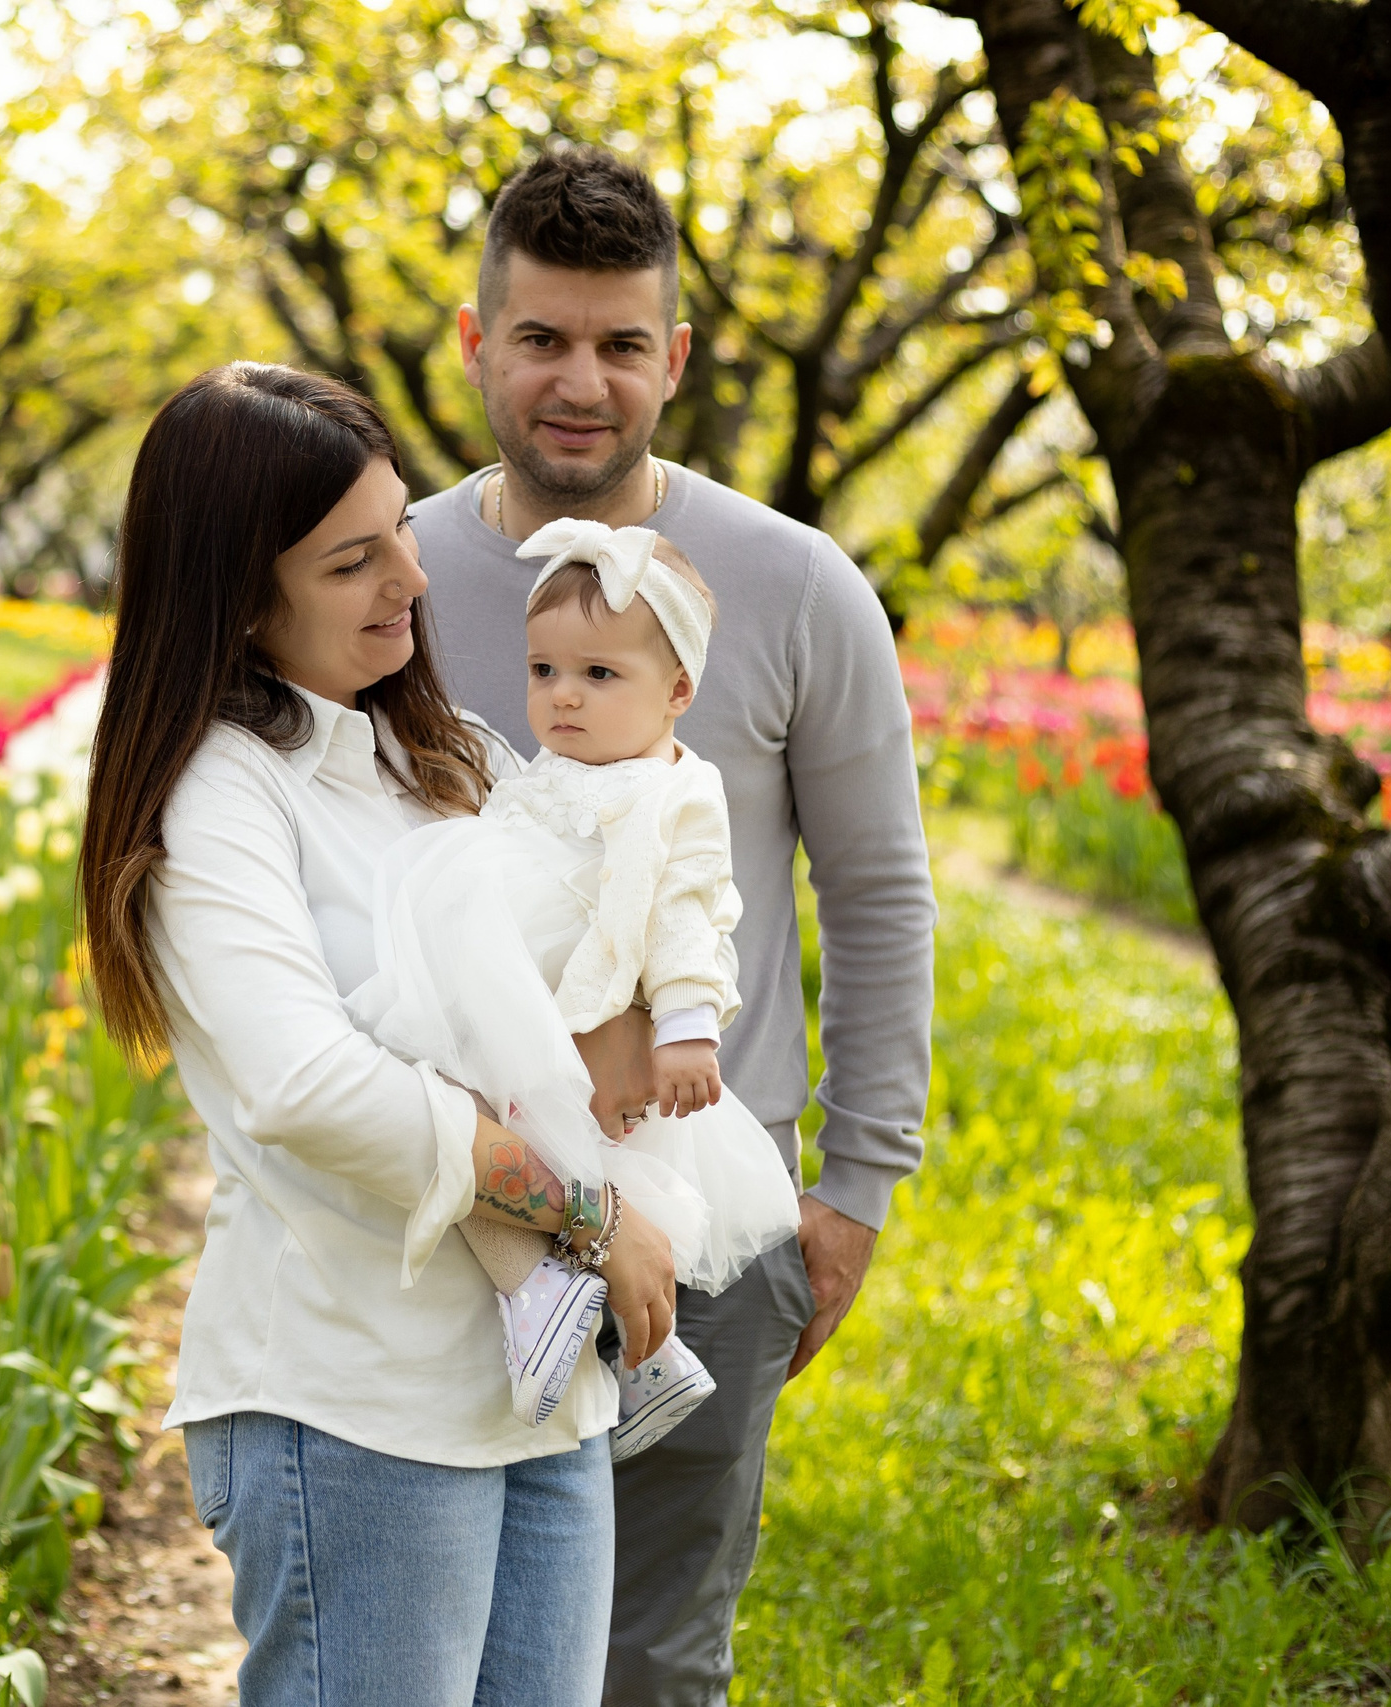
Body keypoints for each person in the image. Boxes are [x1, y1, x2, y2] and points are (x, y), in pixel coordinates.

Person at [409, 148, 938, 1705]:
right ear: (474, 340)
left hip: (708, 1202)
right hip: (456, 1196)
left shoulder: (794, 584)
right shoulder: (389, 577)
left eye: (622, 344)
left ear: (676, 358)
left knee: (651, 1659)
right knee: (444, 1644)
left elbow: (881, 886)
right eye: (543, 339)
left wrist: (855, 1185)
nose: (584, 382)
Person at [79, 362, 677, 1707]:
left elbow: (583, 946)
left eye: (401, 526)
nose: (410, 576)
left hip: (538, 1387)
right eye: (354, 558)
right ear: (239, 597)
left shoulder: (441, 753)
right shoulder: (218, 795)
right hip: (357, 1402)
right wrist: (587, 1206)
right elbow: (307, 1086)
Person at [344, 520, 801, 1454]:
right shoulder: (551, 768)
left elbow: (690, 914)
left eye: (598, 675)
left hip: (585, 1007)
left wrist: (681, 1025)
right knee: (475, 1127)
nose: (562, 697)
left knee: (570, 1154)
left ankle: (616, 1331)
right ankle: (548, 1302)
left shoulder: (679, 791)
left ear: (677, 691)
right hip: (519, 993)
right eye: (544, 670)